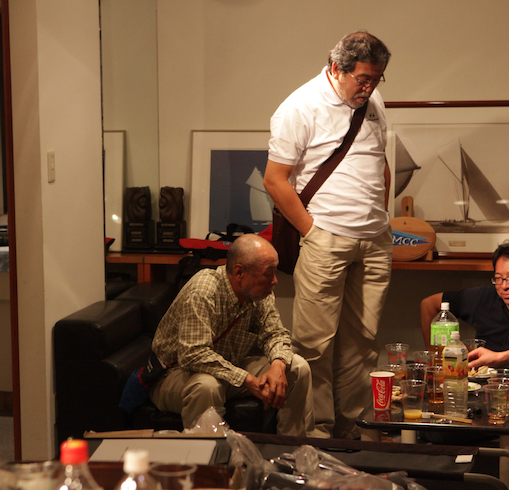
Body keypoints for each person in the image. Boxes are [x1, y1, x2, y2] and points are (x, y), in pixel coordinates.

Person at [263, 31, 393, 439]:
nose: (369, 88)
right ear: (337, 68)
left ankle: (352, 432)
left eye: (376, 79)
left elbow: (380, 162)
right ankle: (314, 435)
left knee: (363, 342)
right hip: (326, 238)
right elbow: (274, 179)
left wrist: (381, 215)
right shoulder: (300, 107)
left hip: (374, 239)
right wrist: (313, 232)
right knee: (313, 345)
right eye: (363, 79)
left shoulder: (373, 101)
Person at [149, 234, 314, 436]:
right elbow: (193, 354)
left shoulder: (260, 293)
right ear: (239, 272)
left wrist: (278, 366)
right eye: (268, 273)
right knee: (207, 386)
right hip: (177, 373)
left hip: (227, 368)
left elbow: (275, 334)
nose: (275, 281)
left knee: (297, 367)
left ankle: (290, 447)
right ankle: (208, 453)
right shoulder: (203, 291)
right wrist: (248, 380)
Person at [420, 240, 509, 390]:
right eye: (498, 278)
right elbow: (429, 304)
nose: (504, 286)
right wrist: (435, 358)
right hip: (481, 389)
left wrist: (498, 357)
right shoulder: (483, 298)